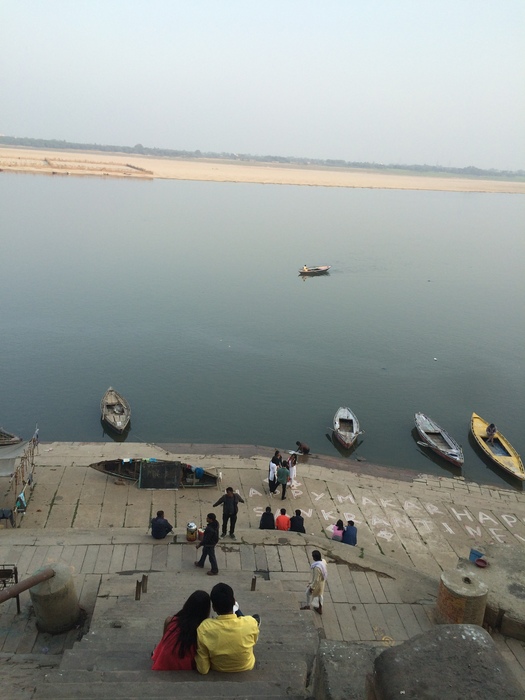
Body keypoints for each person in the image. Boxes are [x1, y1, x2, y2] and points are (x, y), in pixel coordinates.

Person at [196, 583, 260, 674]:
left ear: (214, 608)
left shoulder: (204, 628)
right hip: (246, 665)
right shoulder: (251, 622)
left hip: (218, 668)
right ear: (234, 602)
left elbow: (203, 669)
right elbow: (254, 641)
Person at [152, 590, 211, 670]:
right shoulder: (201, 629)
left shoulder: (170, 621)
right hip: (185, 667)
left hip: (161, 666)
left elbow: (164, 644)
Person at [300, 550, 327, 615]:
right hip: (322, 583)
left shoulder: (317, 568)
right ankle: (320, 608)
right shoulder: (323, 561)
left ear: (315, 558)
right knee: (320, 595)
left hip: (317, 584)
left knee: (308, 593)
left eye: (313, 556)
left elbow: (316, 579)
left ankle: (308, 606)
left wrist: (312, 587)